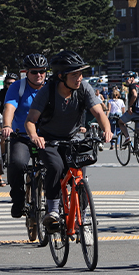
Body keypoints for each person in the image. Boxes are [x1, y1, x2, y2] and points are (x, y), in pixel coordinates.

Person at [24, 51, 113, 230]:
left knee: (81, 175)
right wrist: (35, 136)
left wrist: (107, 130)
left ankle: (85, 222)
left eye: (80, 74)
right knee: (55, 167)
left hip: (74, 137)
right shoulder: (47, 92)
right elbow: (30, 121)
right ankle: (54, 211)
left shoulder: (83, 88)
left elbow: (98, 112)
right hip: (49, 139)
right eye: (74, 74)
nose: (79, 78)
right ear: (61, 76)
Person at [2, 54, 49, 218]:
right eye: (34, 72)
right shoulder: (17, 87)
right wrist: (7, 126)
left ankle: (55, 203)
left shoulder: (51, 87)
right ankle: (18, 199)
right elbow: (9, 108)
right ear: (26, 72)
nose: (39, 75)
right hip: (21, 135)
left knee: (56, 165)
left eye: (42, 71)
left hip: (46, 136)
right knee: (17, 163)